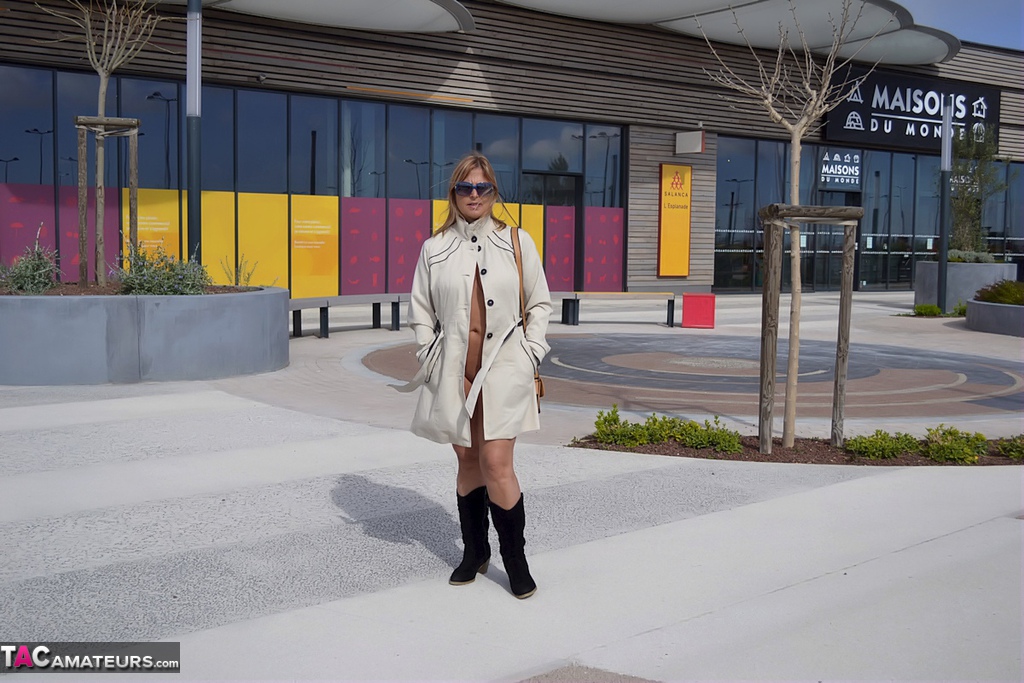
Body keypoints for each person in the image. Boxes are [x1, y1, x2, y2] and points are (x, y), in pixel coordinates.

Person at [404, 152, 551, 600]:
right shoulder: (434, 248)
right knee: (468, 461)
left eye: (482, 187)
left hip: (505, 369)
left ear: (493, 193)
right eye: (465, 187)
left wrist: (531, 352)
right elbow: (420, 309)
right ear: (454, 193)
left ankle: (516, 560)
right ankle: (475, 551)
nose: (474, 195)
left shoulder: (516, 242)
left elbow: (540, 303)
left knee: (498, 463)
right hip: (454, 370)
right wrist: (428, 354)